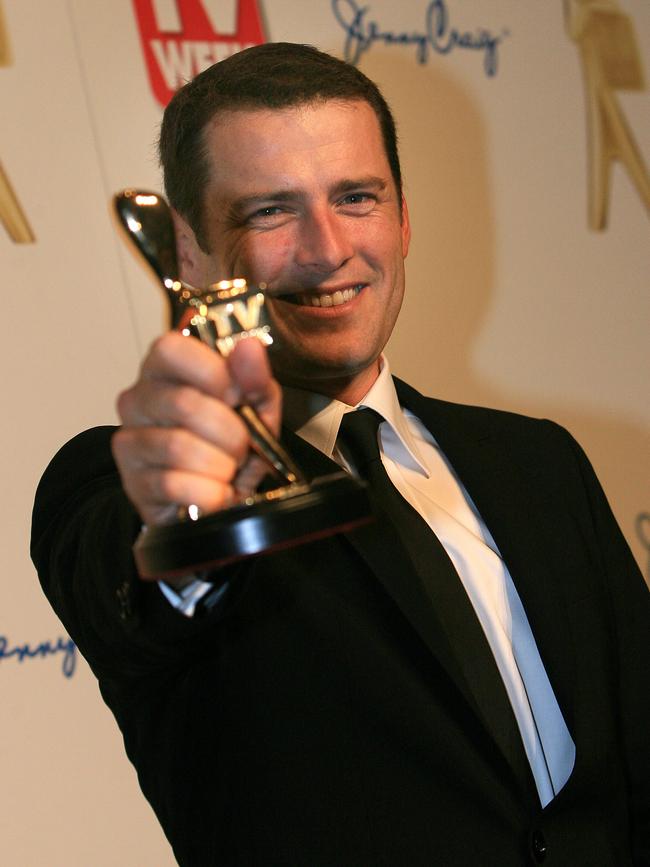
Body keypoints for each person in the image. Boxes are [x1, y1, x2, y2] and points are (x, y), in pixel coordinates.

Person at [31, 43, 649, 866]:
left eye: (356, 197)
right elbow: (135, 582)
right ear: (187, 252)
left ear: (403, 218)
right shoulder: (120, 480)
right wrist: (184, 515)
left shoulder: (540, 463)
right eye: (269, 212)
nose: (326, 250)